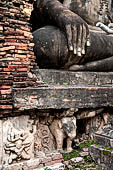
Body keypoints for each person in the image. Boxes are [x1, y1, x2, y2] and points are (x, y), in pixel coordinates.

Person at [31, 0, 113, 71]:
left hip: (104, 36)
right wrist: (63, 13)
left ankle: (88, 66)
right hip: (69, 31)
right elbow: (40, 2)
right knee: (44, 41)